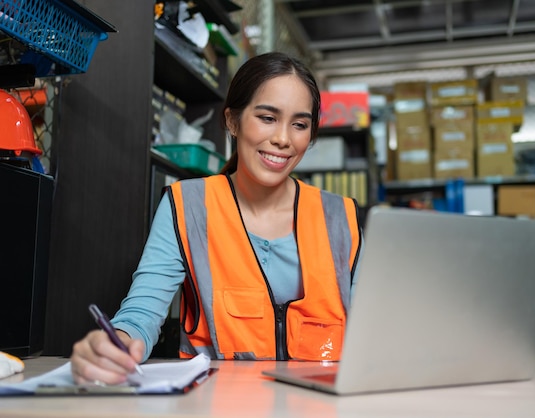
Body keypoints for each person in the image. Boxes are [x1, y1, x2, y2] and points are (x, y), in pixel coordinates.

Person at [70, 51, 363, 385]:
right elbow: (141, 315)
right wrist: (114, 344)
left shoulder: (342, 218)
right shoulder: (188, 206)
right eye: (267, 117)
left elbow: (374, 328)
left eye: (299, 124)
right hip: (217, 403)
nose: (283, 138)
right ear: (232, 121)